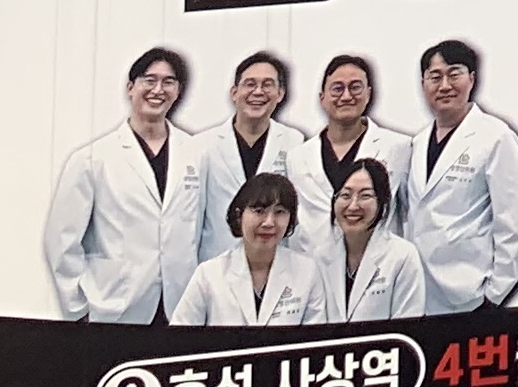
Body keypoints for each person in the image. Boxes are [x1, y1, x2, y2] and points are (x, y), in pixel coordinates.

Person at [42, 48, 200, 322]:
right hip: (117, 306)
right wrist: (78, 308)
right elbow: (61, 240)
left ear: (178, 91)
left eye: (168, 82)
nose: (158, 89)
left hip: (181, 305)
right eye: (149, 80)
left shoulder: (197, 152)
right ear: (130, 88)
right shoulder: (92, 159)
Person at [405, 38, 518, 312]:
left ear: (472, 79)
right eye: (435, 77)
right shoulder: (417, 143)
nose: (444, 86)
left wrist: (495, 293)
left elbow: (515, 220)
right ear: (423, 84)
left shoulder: (495, 136)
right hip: (420, 292)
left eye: (454, 74)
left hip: (470, 292)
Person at [190, 50, 311, 264]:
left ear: (280, 94)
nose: (258, 91)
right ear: (234, 92)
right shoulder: (203, 145)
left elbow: (298, 213)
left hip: (276, 260)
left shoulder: (295, 143)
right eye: (250, 84)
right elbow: (192, 216)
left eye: (267, 85)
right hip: (218, 262)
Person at [169, 172, 330, 329]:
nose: (269, 222)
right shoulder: (209, 274)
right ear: (239, 215)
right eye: (259, 211)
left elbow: (315, 338)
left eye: (280, 212)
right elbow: (180, 335)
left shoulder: (307, 272)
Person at [288, 53, 390, 243]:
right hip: (311, 257)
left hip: (374, 256)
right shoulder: (297, 156)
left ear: (368, 94)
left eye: (355, 87)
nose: (346, 96)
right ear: (322, 98)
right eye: (337, 89)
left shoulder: (397, 148)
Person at [318, 154, 430, 322]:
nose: (353, 206)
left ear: (382, 203)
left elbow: (408, 324)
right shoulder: (321, 257)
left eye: (365, 196)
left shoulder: (402, 256)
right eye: (345, 195)